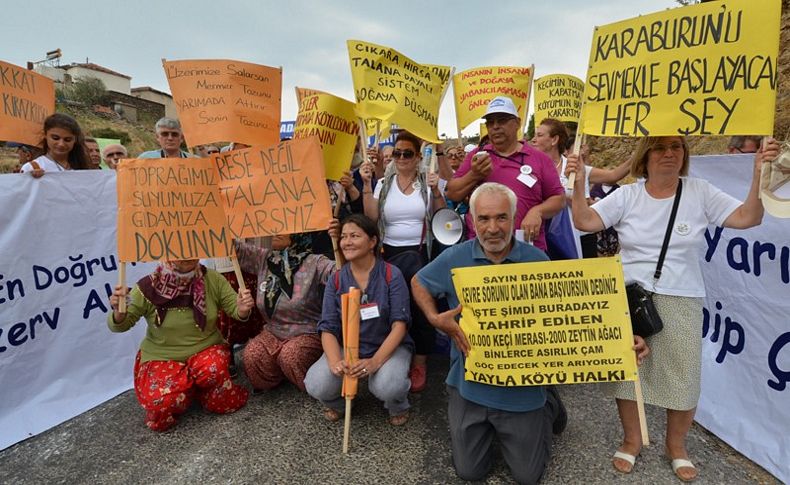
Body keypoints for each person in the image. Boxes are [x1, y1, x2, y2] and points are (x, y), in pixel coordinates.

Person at [568, 135, 780, 482]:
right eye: (660, 147)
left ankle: (676, 446)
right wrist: (578, 183)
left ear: (684, 154)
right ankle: (632, 440)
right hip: (630, 295)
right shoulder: (629, 193)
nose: (669, 153)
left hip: (682, 295)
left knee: (683, 375)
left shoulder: (699, 191)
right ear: (645, 155)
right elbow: (586, 222)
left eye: (676, 147)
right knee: (628, 373)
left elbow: (747, 218)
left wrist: (758, 172)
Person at [412, 183, 609, 484]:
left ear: (515, 218)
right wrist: (434, 317)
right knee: (469, 471)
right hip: (470, 384)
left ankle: (548, 403)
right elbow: (419, 282)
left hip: (522, 386)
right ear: (472, 221)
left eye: (502, 218)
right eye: (484, 218)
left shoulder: (538, 262)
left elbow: (570, 318)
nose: (493, 228)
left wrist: (617, 340)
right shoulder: (455, 258)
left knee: (528, 477)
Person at [108, 259, 255, 431]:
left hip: (205, 349)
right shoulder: (147, 286)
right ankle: (188, 389)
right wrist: (119, 312)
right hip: (162, 356)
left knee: (213, 372)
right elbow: (121, 325)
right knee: (160, 403)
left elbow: (235, 309)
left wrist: (243, 308)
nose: (185, 256)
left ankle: (199, 389)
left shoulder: (212, 279)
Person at [304, 214, 413, 425]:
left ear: (372, 241)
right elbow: (327, 327)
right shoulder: (336, 279)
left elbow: (400, 325)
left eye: (354, 235)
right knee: (317, 384)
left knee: (389, 386)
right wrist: (336, 363)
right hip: (350, 347)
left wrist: (374, 362)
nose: (347, 241)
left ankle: (396, 405)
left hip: (387, 347)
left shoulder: (392, 274)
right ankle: (340, 403)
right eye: (344, 236)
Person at [360, 130, 446, 392]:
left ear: (418, 156)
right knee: (393, 306)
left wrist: (436, 191)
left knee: (420, 307)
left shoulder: (427, 179)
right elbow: (372, 216)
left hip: (421, 253)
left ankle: (420, 361)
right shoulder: (383, 183)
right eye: (397, 153)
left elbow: (442, 216)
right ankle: (395, 353)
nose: (401, 158)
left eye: (407, 153)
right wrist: (365, 185)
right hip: (389, 253)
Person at [446, 96, 565, 253]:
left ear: (517, 123)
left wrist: (537, 211)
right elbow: (452, 193)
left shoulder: (539, 159)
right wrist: (474, 175)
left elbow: (559, 199)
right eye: (490, 122)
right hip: (482, 250)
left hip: (527, 249)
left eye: (502, 120)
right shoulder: (477, 156)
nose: (495, 127)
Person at [234, 233, 335, 391]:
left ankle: (310, 379)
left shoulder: (315, 262)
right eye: (274, 229)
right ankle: (281, 375)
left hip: (307, 332)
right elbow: (234, 250)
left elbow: (342, 273)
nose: (277, 233)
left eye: (285, 228)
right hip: (273, 331)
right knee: (252, 355)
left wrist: (339, 240)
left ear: (299, 234)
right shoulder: (264, 258)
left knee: (291, 355)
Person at [530, 118, 631, 259]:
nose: (533, 140)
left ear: (554, 140)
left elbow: (613, 175)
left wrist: (640, 155)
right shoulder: (529, 169)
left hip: (580, 237)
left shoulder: (575, 167)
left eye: (539, 135)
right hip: (543, 237)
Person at [20, 113, 91, 176]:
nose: (61, 144)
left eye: (67, 140)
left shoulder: (83, 168)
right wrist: (31, 180)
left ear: (75, 140)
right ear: (45, 135)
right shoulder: (32, 168)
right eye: (55, 138)